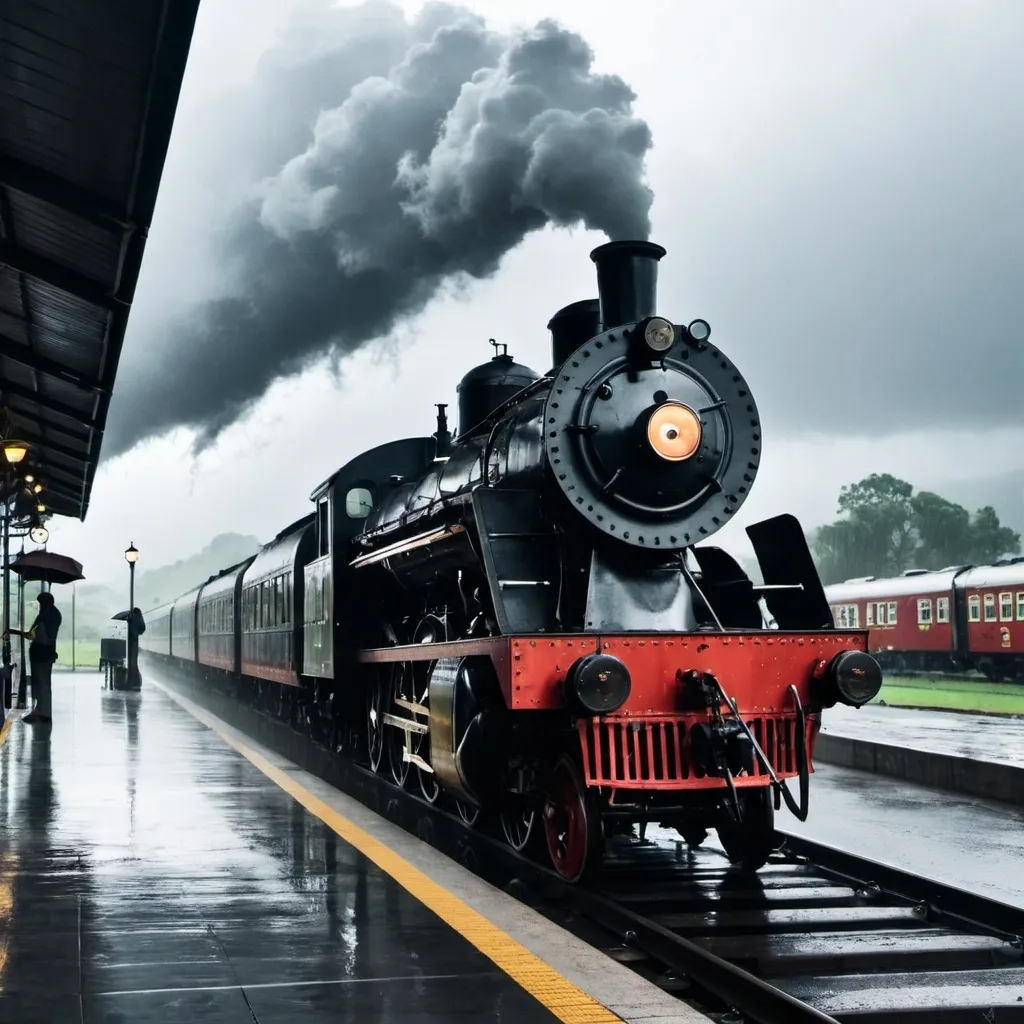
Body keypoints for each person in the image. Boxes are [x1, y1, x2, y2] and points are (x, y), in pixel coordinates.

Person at [8, 591, 62, 724]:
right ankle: (41, 710)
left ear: (45, 603)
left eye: (41, 603)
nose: (40, 606)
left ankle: (42, 712)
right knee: (44, 683)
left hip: (41, 654)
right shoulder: (54, 615)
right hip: (46, 653)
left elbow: (33, 635)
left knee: (41, 683)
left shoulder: (45, 617)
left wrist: (14, 632)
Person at [127, 607, 146, 689]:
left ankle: (134, 682)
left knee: (133, 662)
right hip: (134, 641)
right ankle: (135, 681)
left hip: (133, 642)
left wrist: (130, 621)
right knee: (133, 662)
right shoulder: (139, 619)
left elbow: (134, 630)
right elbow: (141, 629)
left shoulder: (136, 619)